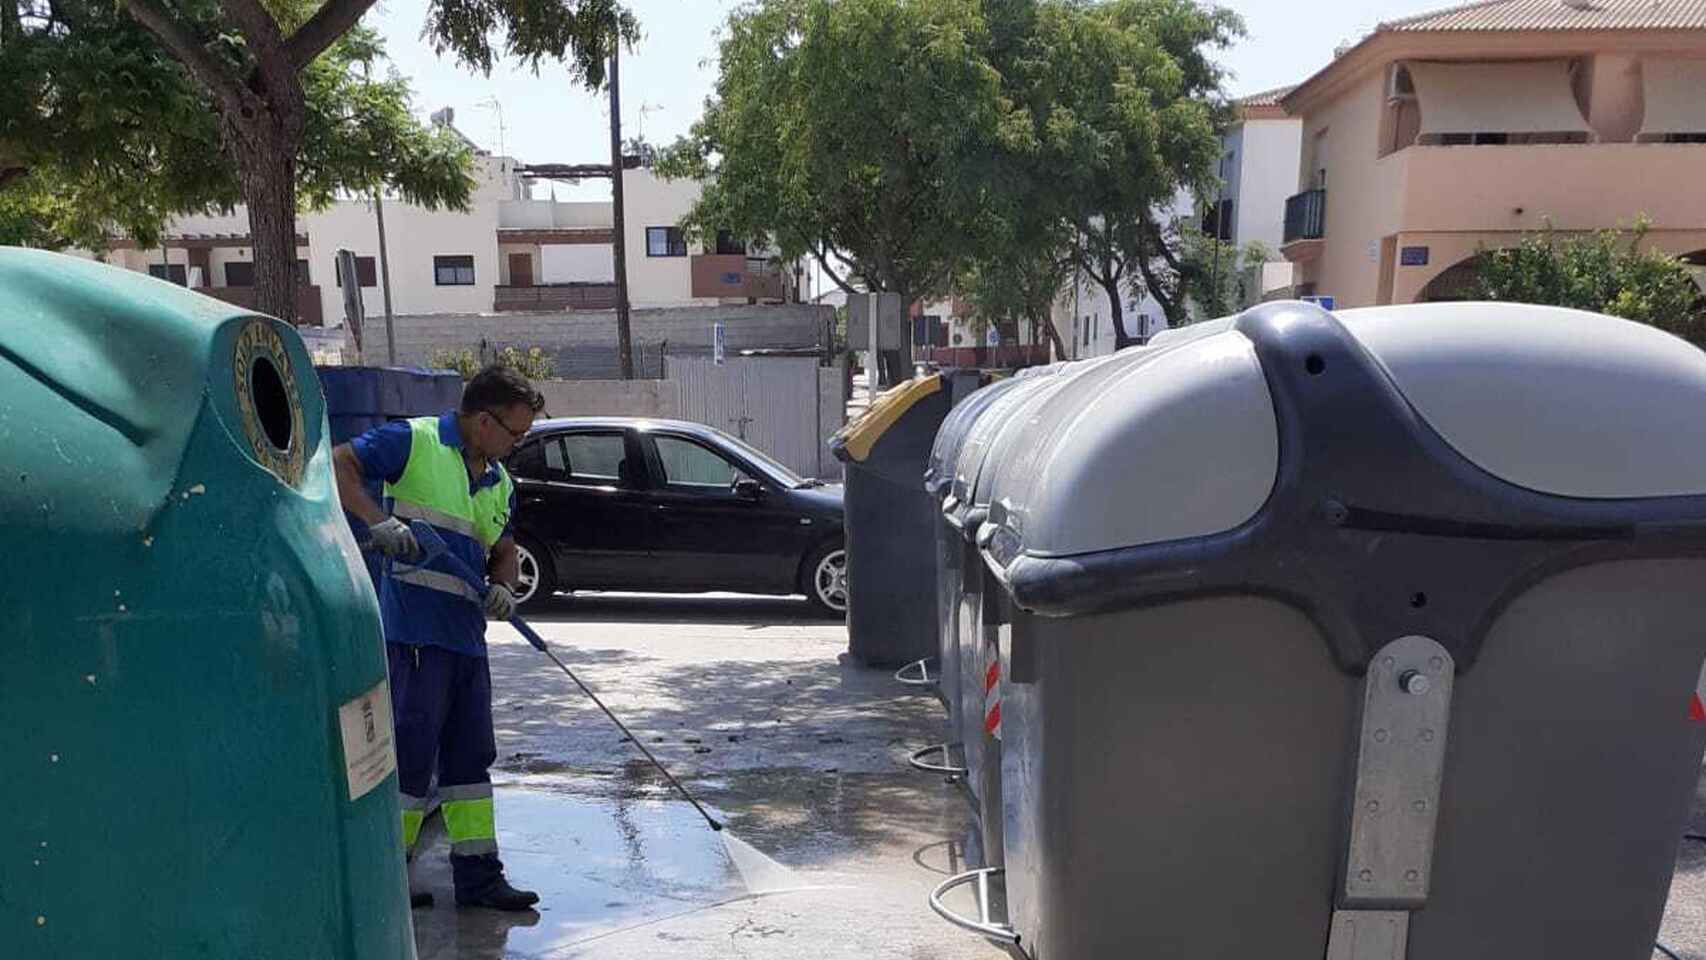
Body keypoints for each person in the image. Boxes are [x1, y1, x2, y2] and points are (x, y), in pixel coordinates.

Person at [332, 364, 545, 911]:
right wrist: (377, 521)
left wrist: (504, 586)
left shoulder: (499, 481)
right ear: (481, 419)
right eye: (514, 432)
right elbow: (339, 465)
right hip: (417, 637)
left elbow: (501, 547)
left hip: (466, 640)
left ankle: (478, 878)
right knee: (411, 758)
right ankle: (390, 876)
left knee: (470, 761)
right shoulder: (414, 441)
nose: (517, 444)